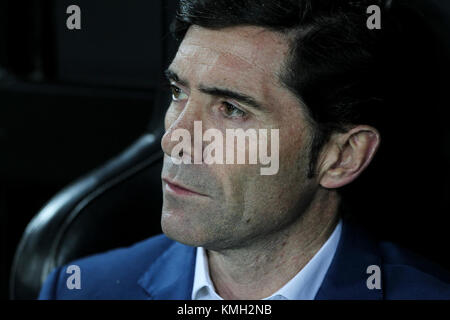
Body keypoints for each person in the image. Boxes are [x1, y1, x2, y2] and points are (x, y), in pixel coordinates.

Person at [39, 0, 450, 300]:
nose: (174, 139)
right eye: (178, 92)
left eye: (232, 110)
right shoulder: (81, 289)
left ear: (341, 156)